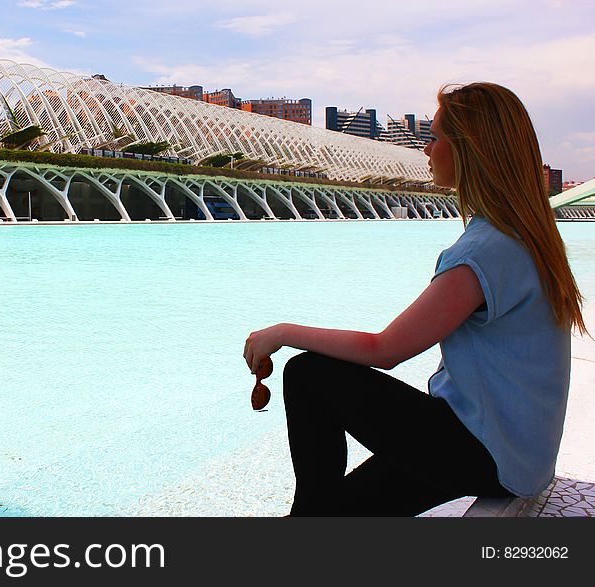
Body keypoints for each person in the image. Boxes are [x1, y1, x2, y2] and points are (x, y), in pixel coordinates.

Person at [243, 82, 587, 516]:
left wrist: (281, 332)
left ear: (470, 149)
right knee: (339, 510)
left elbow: (385, 350)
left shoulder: (483, 252)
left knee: (308, 374)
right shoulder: (525, 236)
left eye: (437, 137)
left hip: (485, 451)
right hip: (515, 452)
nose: (427, 149)